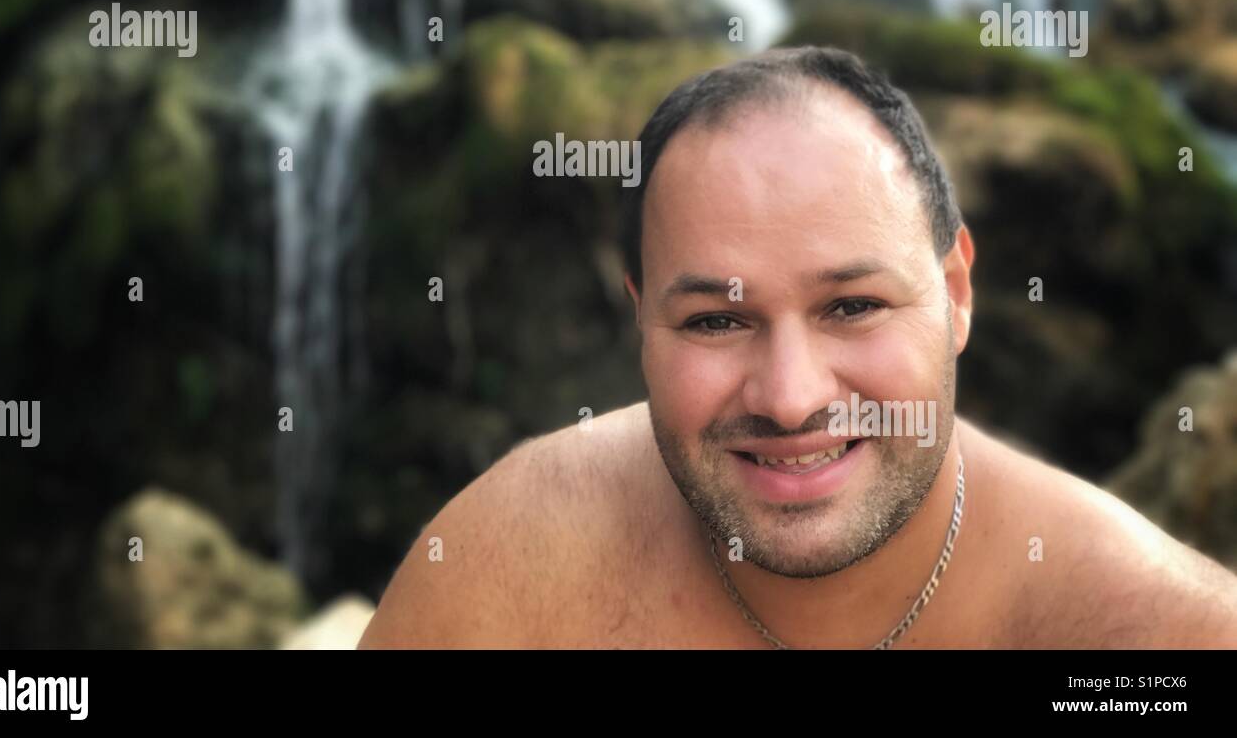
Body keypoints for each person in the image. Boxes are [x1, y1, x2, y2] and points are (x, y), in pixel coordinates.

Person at [359, 46, 1237, 649]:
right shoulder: (515, 574)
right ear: (639, 319)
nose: (788, 396)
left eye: (851, 305)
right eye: (715, 320)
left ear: (957, 294)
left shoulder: (1141, 647)